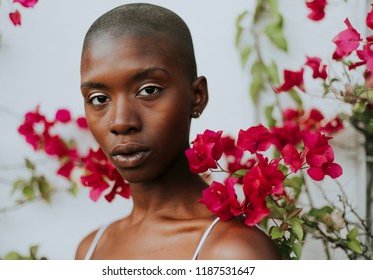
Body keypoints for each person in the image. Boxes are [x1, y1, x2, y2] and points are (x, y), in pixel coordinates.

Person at [75, 3, 280, 260]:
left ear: (197, 96)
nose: (120, 122)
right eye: (98, 98)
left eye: (149, 90)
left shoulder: (233, 251)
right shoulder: (91, 250)